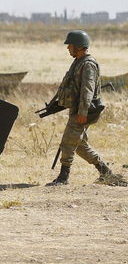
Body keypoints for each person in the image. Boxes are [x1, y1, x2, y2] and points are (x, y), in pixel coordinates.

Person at [47, 30, 123, 186]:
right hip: (77, 109)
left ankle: (63, 177)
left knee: (68, 142)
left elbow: (87, 90)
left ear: (80, 47)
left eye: (71, 46)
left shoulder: (88, 64)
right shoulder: (78, 61)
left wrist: (82, 112)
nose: (68, 48)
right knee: (80, 145)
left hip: (84, 110)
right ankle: (105, 172)